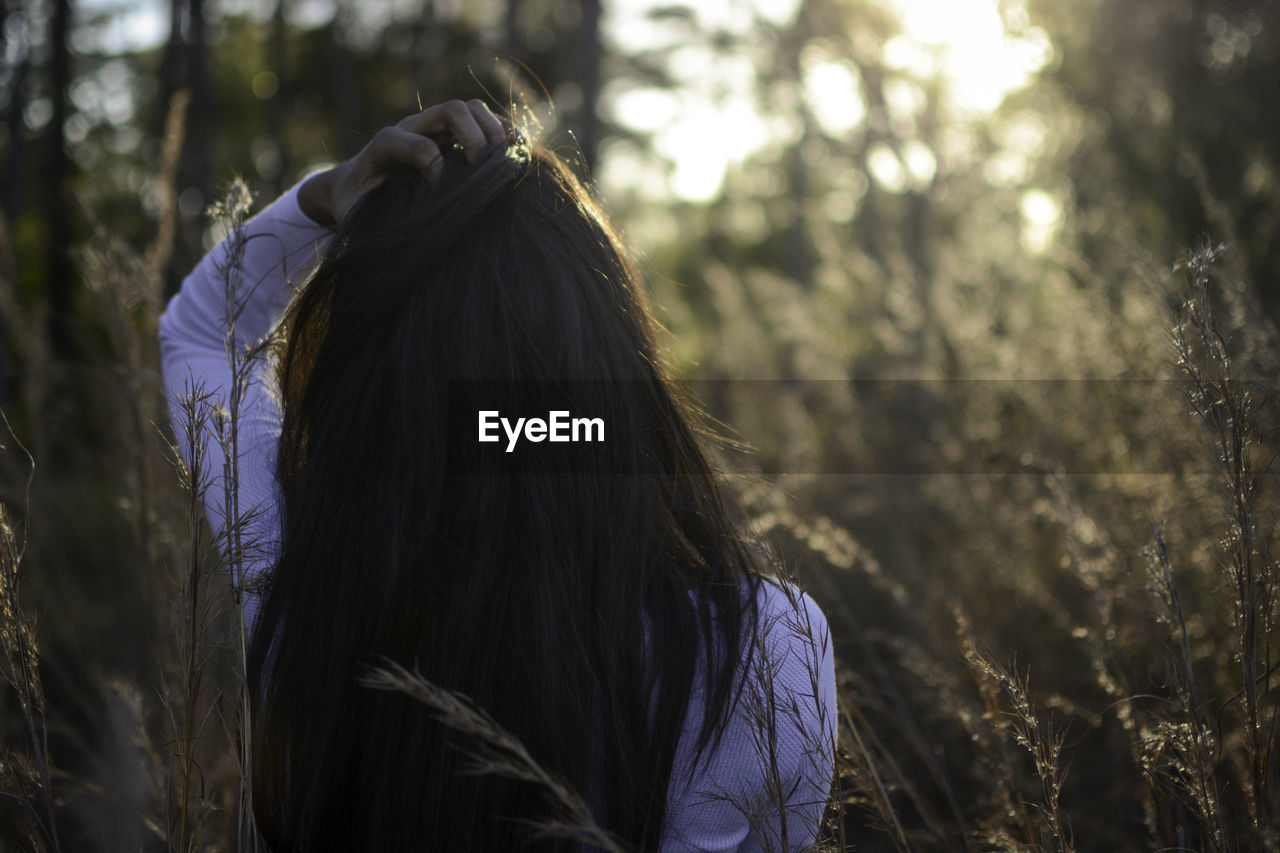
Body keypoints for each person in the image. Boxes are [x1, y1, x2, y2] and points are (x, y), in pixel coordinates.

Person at [159, 99, 836, 851]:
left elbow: (199, 332)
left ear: (368, 386)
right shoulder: (758, 648)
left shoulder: (303, 588)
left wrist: (329, 194)